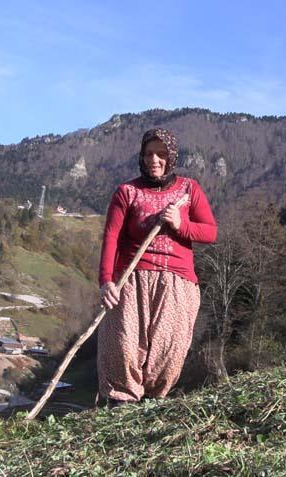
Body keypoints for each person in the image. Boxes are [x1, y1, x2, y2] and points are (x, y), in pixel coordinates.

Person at [97, 128, 217, 407]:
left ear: (171, 156)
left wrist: (180, 224)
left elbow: (210, 232)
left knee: (169, 349)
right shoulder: (126, 192)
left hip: (177, 282)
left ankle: (152, 403)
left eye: (161, 154)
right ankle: (121, 405)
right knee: (124, 346)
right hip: (130, 281)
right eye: (149, 153)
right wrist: (106, 281)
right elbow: (111, 238)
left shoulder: (189, 190)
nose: (154, 159)